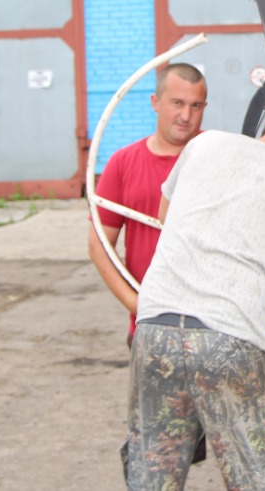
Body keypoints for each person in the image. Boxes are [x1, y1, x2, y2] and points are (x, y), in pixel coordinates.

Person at [123, 103, 265, 491]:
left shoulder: (205, 145)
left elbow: (165, 216)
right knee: (261, 474)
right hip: (231, 340)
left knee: (153, 471)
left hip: (154, 327)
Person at [88, 63, 207, 330]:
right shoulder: (122, 162)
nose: (186, 115)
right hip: (149, 327)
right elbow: (99, 246)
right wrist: (138, 305)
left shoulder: (217, 155)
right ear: (156, 102)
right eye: (177, 103)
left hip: (213, 325)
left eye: (196, 106)